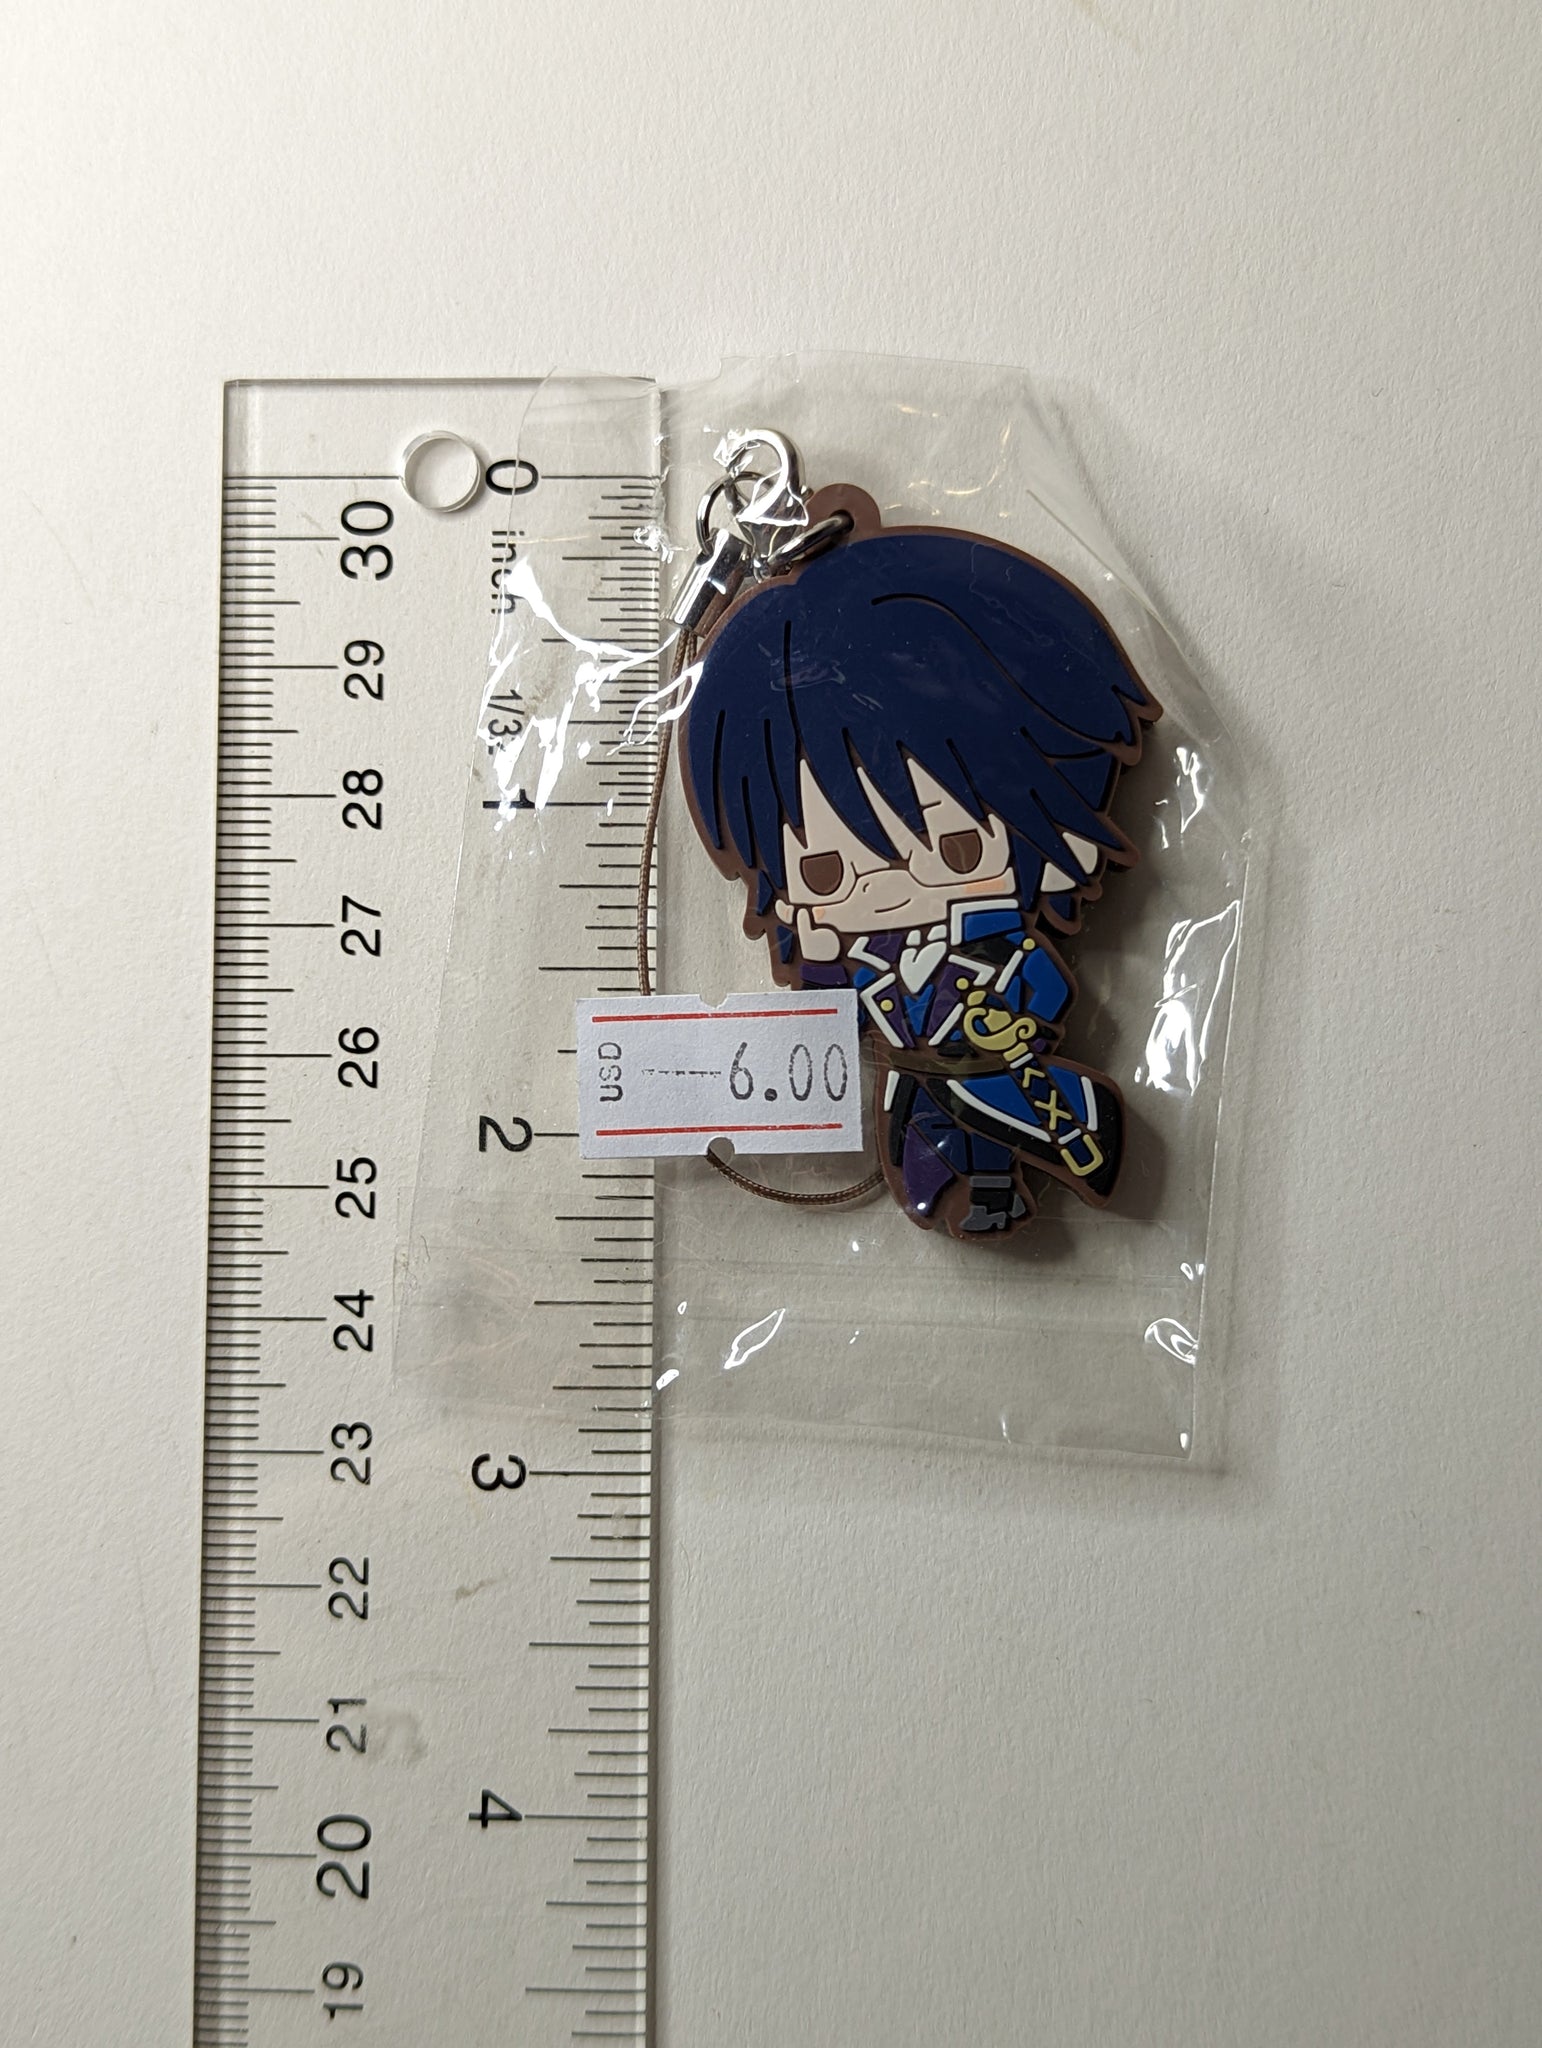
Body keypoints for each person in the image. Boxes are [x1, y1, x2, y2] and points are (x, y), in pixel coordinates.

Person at [679, 518, 1159, 1240]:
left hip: (992, 1069)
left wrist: (1020, 1022)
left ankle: (998, 1191)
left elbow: (1048, 987)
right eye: (826, 870)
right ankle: (959, 1190)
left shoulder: (1003, 943)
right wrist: (818, 956)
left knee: (993, 1137)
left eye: (957, 848)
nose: (889, 886)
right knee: (930, 1148)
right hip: (915, 1080)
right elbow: (832, 1007)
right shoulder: (863, 958)